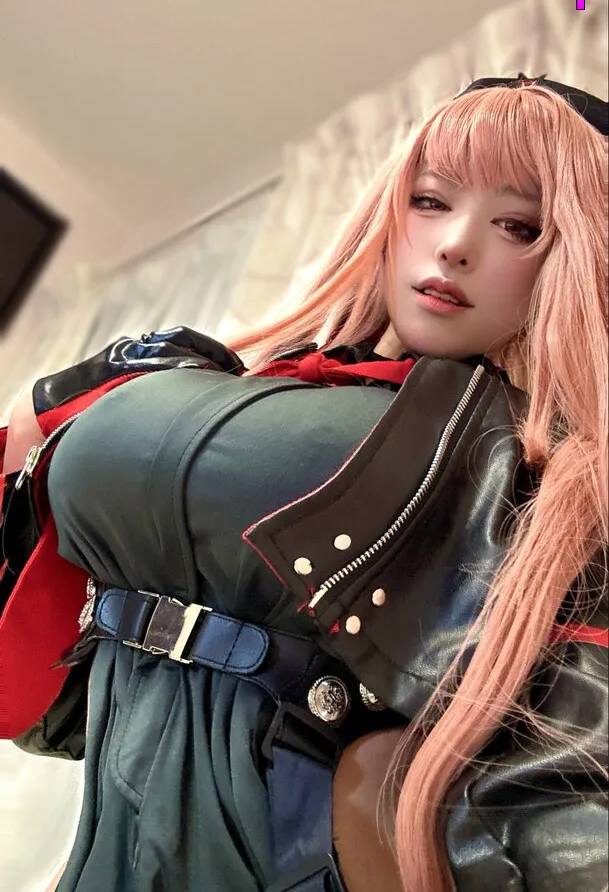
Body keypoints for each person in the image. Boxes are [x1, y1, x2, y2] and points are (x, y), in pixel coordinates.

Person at [1, 74, 607, 892]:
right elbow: (51, 700)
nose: (456, 244)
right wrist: (48, 421)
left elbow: (568, 813)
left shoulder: (546, 484)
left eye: (519, 226)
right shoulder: (226, 379)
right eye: (430, 200)